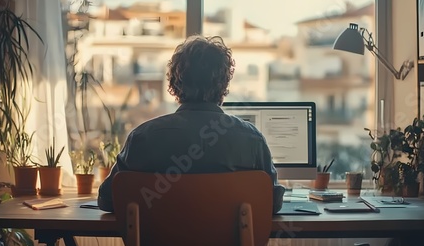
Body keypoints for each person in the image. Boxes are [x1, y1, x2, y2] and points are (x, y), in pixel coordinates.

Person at [98, 35, 285, 214]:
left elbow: (107, 200)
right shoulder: (251, 139)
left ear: (174, 84)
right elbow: (273, 203)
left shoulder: (142, 137)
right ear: (224, 84)